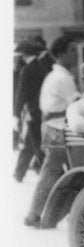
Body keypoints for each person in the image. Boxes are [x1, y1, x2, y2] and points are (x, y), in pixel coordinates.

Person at [24, 36, 80, 228]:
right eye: (73, 50)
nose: (76, 53)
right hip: (57, 127)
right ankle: (37, 215)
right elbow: (76, 103)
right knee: (55, 172)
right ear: (62, 54)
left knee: (55, 172)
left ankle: (41, 214)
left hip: (54, 126)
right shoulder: (61, 78)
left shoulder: (58, 75)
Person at [13, 40, 47, 182]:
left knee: (37, 145)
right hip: (42, 111)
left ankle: (45, 173)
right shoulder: (41, 66)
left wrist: (16, 113)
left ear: (24, 54)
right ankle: (19, 173)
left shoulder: (27, 69)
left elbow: (22, 93)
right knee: (30, 143)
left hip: (33, 112)